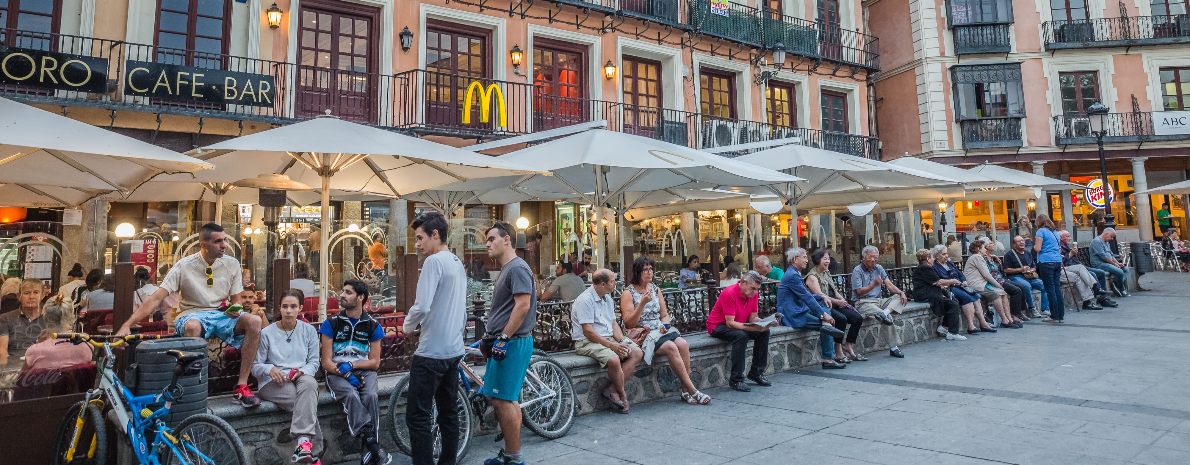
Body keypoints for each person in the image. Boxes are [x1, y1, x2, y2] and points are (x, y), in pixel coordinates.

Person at [117, 223, 262, 408]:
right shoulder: (184, 266)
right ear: (204, 244)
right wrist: (127, 324)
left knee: (255, 321)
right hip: (191, 314)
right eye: (218, 241)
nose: (224, 245)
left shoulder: (231, 264)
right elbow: (155, 299)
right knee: (192, 326)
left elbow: (237, 300)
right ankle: (191, 389)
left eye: (224, 240)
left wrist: (237, 309)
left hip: (220, 314)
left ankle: (241, 386)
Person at [402, 212, 468, 465]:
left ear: (435, 235)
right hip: (452, 349)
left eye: (420, 238)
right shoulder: (455, 261)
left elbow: (422, 305)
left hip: (431, 352)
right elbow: (460, 310)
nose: (417, 244)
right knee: (448, 412)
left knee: (418, 416)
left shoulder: (433, 262)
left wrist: (407, 326)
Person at [481, 222, 538, 465]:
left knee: (505, 399)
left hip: (512, 342)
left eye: (492, 239)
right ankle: (510, 454)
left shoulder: (517, 268)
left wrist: (503, 338)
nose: (487, 244)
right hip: (505, 341)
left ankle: (514, 459)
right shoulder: (509, 268)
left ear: (507, 239)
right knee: (502, 399)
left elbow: (523, 305)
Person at [620, 256, 709, 405]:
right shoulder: (628, 293)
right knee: (671, 347)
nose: (650, 273)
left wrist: (666, 325)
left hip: (659, 331)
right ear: (638, 273)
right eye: (645, 270)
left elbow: (664, 314)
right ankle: (692, 390)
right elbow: (629, 323)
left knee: (683, 344)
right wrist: (641, 304)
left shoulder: (655, 289)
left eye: (651, 269)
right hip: (643, 333)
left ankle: (684, 390)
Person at [320, 280, 388, 465]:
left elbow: (374, 363)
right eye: (343, 291)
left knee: (371, 397)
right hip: (336, 373)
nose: (342, 295)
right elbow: (326, 362)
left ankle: (368, 456)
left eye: (348, 292)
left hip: (363, 371)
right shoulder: (331, 323)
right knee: (351, 394)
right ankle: (374, 446)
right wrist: (346, 374)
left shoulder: (373, 326)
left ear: (360, 298)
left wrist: (353, 367)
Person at [253, 290, 323, 464]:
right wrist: (269, 368)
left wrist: (301, 371)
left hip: (300, 374)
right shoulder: (267, 333)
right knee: (302, 401)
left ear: (300, 308)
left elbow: (314, 363)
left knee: (310, 384)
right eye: (285, 307)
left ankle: (302, 446)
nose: (288, 311)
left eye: (293, 307)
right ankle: (314, 452)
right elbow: (255, 367)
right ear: (280, 308)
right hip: (272, 382)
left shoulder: (309, 331)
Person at [572, 268, 642, 413]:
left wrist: (622, 341)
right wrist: (612, 346)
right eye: (612, 281)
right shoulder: (586, 300)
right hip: (587, 341)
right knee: (614, 359)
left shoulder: (607, 298)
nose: (615, 283)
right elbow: (588, 332)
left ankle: (612, 390)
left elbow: (613, 324)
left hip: (607, 338)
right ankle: (622, 395)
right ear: (603, 284)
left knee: (636, 352)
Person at [778, 248, 848, 369]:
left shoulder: (794, 273)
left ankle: (827, 325)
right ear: (795, 259)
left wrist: (822, 296)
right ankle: (828, 359)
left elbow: (807, 295)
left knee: (823, 304)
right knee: (827, 326)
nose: (807, 260)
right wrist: (823, 314)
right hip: (792, 314)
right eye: (804, 257)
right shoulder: (792, 275)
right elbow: (806, 297)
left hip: (799, 309)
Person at [708, 271, 777, 392]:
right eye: (753, 288)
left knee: (764, 332)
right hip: (717, 325)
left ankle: (756, 372)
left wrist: (766, 322)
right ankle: (736, 380)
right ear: (743, 282)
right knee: (741, 336)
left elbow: (753, 317)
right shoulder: (729, 293)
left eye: (757, 289)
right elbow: (730, 323)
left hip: (737, 323)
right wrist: (752, 328)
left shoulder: (752, 294)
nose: (755, 292)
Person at [802, 249, 865, 363]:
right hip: (823, 306)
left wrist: (841, 299)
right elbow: (820, 295)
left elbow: (834, 290)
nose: (827, 261)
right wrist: (836, 301)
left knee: (857, 318)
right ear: (817, 260)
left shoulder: (826, 272)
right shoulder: (812, 276)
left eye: (828, 259)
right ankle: (838, 349)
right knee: (841, 319)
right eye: (824, 259)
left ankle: (848, 345)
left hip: (834, 303)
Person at [851, 246, 910, 358]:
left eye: (875, 257)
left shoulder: (879, 268)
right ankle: (894, 348)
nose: (873, 260)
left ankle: (885, 312)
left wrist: (901, 293)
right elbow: (859, 292)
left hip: (878, 300)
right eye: (870, 257)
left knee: (898, 297)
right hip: (863, 302)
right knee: (888, 319)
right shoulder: (857, 271)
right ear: (864, 257)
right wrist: (874, 284)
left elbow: (890, 285)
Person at [931, 246, 994, 333]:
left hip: (960, 285)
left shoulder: (949, 263)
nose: (946, 256)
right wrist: (951, 282)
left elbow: (960, 273)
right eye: (943, 254)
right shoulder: (935, 266)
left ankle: (983, 323)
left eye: (946, 253)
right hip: (950, 287)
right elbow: (939, 280)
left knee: (975, 296)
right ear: (937, 255)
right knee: (967, 298)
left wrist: (964, 280)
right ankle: (971, 326)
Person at [21, 296, 92, 372]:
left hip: (46, 383)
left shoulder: (34, 351)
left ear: (45, 317)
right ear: (72, 317)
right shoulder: (86, 347)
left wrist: (40, 343)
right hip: (75, 384)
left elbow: (20, 380)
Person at [912, 249, 966, 341]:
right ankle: (952, 332)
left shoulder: (924, 268)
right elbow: (938, 281)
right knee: (952, 304)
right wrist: (952, 281)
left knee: (954, 301)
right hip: (926, 295)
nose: (933, 259)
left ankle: (945, 326)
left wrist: (942, 286)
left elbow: (931, 282)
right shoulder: (925, 268)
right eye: (932, 257)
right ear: (928, 259)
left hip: (928, 293)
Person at [964, 240, 1017, 329]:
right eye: (983, 248)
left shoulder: (979, 257)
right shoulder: (977, 257)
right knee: (997, 294)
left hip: (982, 284)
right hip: (977, 285)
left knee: (1004, 293)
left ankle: (1009, 319)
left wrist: (993, 256)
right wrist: (997, 285)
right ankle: (1004, 320)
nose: (985, 249)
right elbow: (986, 275)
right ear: (978, 249)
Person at [1059, 231, 1117, 308]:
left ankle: (1101, 297)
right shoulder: (1058, 247)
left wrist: (1075, 256)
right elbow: (1062, 262)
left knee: (1101, 273)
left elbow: (1074, 261)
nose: (1070, 238)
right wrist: (1070, 254)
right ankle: (1097, 291)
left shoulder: (1066, 246)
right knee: (1092, 274)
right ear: (1061, 238)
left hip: (1078, 267)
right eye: (1067, 236)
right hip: (1071, 268)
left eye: (1069, 236)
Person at [1002, 236, 1056, 316]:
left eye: (1022, 241)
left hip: (1029, 276)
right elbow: (1006, 270)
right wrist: (1020, 269)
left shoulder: (1028, 253)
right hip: (1015, 276)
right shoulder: (1009, 254)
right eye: (1019, 241)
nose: (1022, 242)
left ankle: (1045, 309)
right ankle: (1031, 308)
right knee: (1027, 286)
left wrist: (1031, 269)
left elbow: (1034, 266)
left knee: (1044, 285)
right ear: (1014, 244)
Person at [982, 241, 1029, 325]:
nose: (993, 244)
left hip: (1001, 278)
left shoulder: (990, 257)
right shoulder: (983, 258)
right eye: (990, 243)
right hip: (996, 281)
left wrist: (994, 256)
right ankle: (1014, 315)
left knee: (1021, 287)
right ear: (985, 247)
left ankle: (1020, 312)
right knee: (1016, 290)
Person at [0, 279, 46, 363]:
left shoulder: (51, 318)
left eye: (36, 292)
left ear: (43, 295)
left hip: (43, 368)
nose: (31, 296)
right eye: (26, 293)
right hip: (14, 369)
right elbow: (2, 351)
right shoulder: (5, 319)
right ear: (18, 296)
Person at [1033, 215, 1066, 323]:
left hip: (1046, 261)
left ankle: (1054, 316)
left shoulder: (1040, 231)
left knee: (1050, 289)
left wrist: (1034, 246)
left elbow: (1038, 248)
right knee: (1057, 288)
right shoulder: (1055, 232)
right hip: (1057, 261)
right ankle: (1060, 315)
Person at [1089, 228, 1130, 298]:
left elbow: (1111, 254)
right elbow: (1103, 257)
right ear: (1106, 234)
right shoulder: (1097, 241)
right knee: (1119, 271)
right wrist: (1114, 264)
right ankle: (1122, 289)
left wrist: (1118, 263)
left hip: (1108, 263)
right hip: (1099, 264)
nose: (1112, 239)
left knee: (1126, 269)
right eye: (1111, 236)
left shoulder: (1106, 242)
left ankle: (1115, 285)